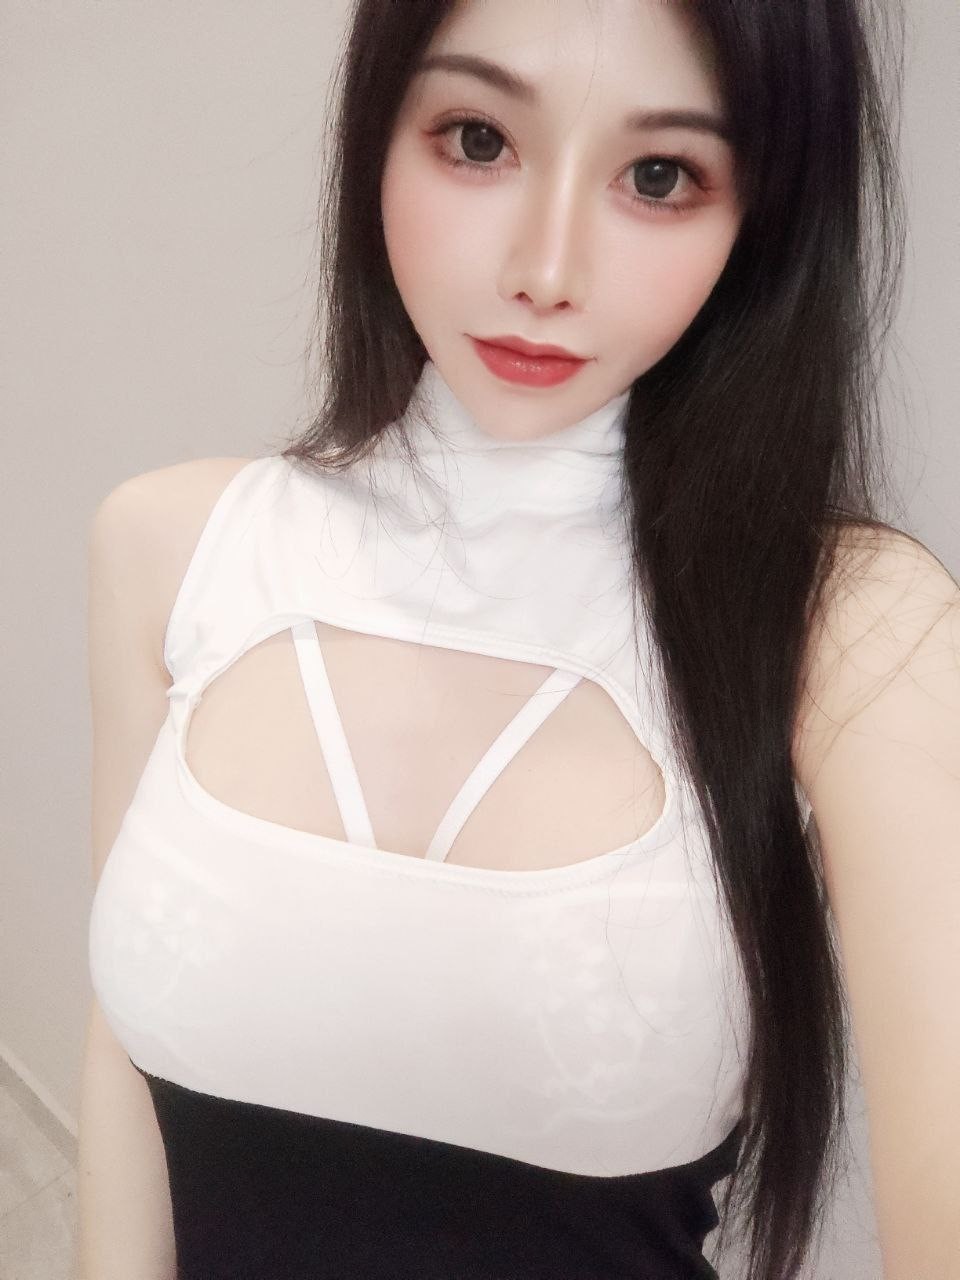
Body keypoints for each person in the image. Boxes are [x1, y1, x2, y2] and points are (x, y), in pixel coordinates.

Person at [78, 2, 960, 1278]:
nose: (547, 269)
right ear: (378, 133)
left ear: (760, 216)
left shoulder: (852, 627)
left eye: (659, 176)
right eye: (479, 139)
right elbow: (122, 1070)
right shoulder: (172, 548)